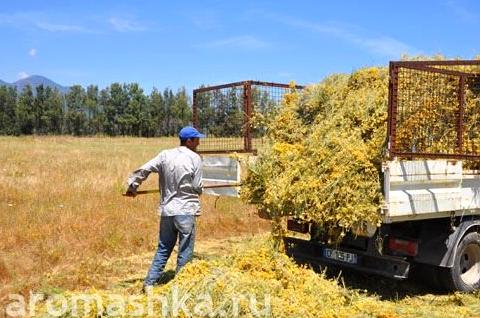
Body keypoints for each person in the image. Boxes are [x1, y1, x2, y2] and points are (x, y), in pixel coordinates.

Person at [125, 126, 204, 288]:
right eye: (197, 139)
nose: (199, 142)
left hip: (167, 211)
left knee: (163, 248)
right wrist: (199, 189)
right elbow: (197, 186)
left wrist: (133, 185)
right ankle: (181, 285)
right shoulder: (195, 158)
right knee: (185, 250)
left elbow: (145, 169)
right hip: (186, 210)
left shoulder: (165, 155)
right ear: (189, 141)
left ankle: (149, 283)